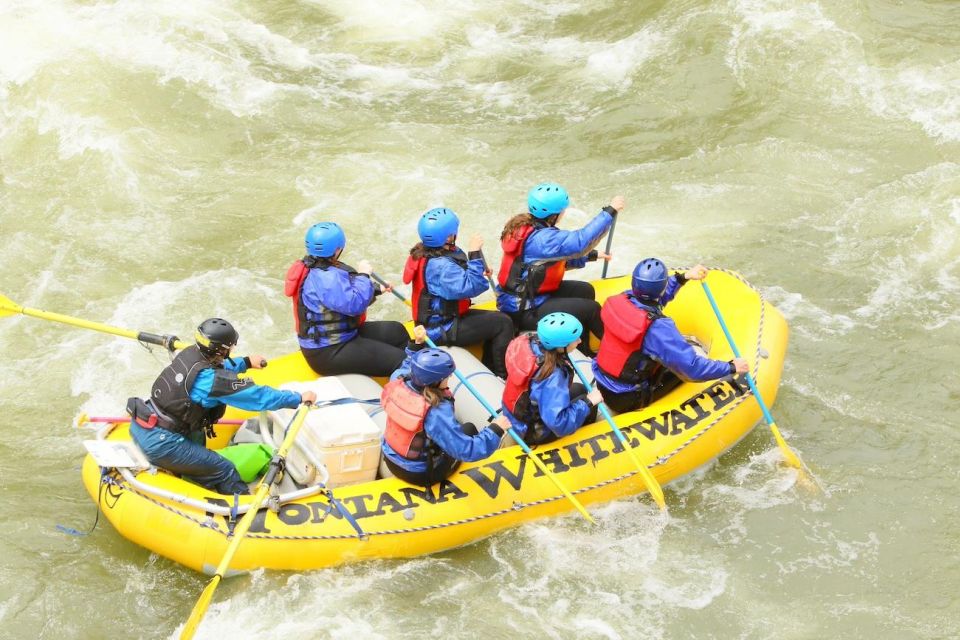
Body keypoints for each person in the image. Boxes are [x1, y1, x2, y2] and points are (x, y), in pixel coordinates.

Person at [126, 318, 317, 495]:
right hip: (162, 442)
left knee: (199, 435)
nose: (231, 351)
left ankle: (196, 474)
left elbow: (218, 368)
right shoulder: (211, 382)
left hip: (145, 425)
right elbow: (258, 396)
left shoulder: (189, 354)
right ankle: (242, 507)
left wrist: (247, 362)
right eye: (230, 348)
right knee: (225, 469)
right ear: (220, 350)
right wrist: (297, 398)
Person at [591, 258, 750, 413]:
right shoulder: (657, 328)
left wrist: (682, 278)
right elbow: (692, 368)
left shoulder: (622, 299)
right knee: (686, 365)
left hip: (602, 385)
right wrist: (731, 367)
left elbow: (653, 300)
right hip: (628, 398)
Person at [496, 183, 623, 355]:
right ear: (555, 214)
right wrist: (610, 211)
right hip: (524, 310)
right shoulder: (543, 238)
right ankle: (618, 353)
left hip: (528, 296)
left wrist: (593, 256)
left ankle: (581, 348)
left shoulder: (528, 226)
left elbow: (549, 261)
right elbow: (579, 242)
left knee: (585, 290)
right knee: (591, 309)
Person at [380, 326, 511, 486]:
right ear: (436, 381)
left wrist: (417, 345)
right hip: (421, 473)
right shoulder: (434, 412)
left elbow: (408, 365)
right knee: (469, 428)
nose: (449, 379)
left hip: (391, 460)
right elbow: (468, 450)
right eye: (447, 377)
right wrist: (496, 428)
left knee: (453, 430)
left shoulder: (397, 380)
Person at [286, 221, 410, 377]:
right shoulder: (326, 277)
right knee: (401, 360)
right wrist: (363, 274)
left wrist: (377, 289)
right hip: (328, 351)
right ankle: (412, 381)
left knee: (395, 331)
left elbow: (343, 294)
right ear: (338, 249)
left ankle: (428, 364)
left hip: (341, 337)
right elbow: (354, 305)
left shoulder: (319, 267)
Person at [402, 207, 514, 378]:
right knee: (504, 323)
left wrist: (477, 269)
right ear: (448, 236)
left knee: (496, 319)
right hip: (441, 329)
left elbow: (460, 274)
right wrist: (475, 254)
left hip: (445, 318)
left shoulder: (429, 251)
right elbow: (472, 287)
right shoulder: (440, 266)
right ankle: (501, 375)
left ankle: (490, 363)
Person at [501, 312, 601, 445]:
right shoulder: (552, 375)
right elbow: (558, 423)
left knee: (580, 389)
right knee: (590, 404)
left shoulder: (528, 342)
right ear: (561, 346)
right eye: (575, 339)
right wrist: (589, 403)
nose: (579, 341)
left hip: (516, 417)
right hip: (533, 431)